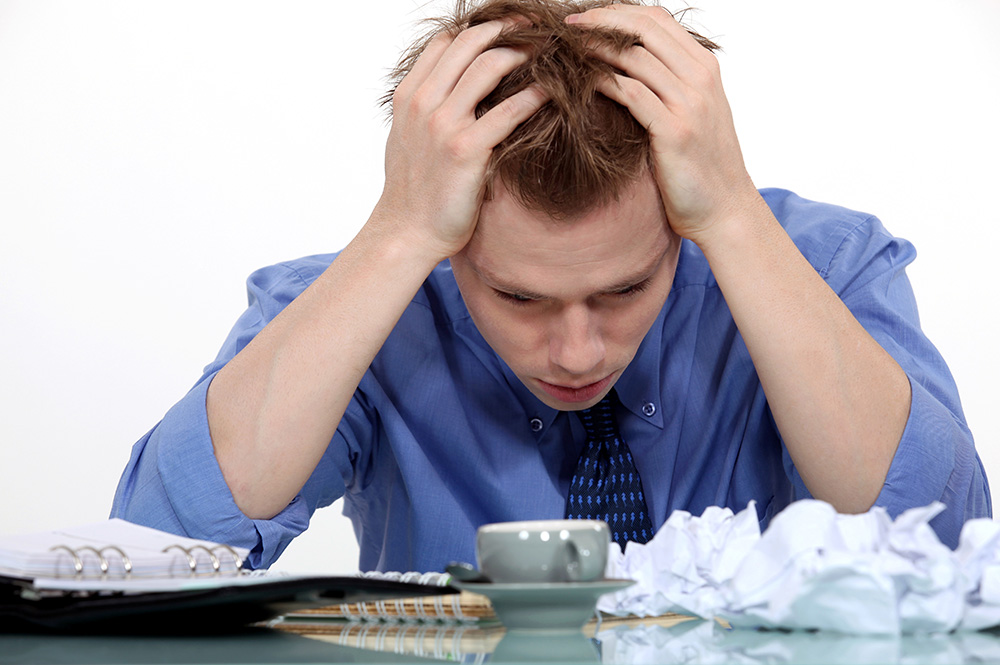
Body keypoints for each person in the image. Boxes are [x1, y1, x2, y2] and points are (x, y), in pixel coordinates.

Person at [111, 0, 990, 572]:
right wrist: (400, 233)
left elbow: (948, 552)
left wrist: (731, 213)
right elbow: (154, 552)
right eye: (519, 297)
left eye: (624, 288)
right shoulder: (359, 300)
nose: (577, 353)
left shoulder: (820, 269)